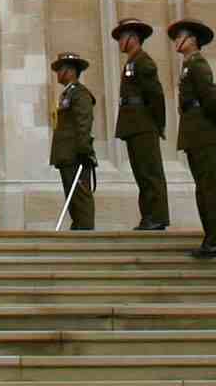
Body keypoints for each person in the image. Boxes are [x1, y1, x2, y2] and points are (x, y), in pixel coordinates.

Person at [171, 18, 216, 259]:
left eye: (180, 37)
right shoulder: (188, 66)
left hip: (205, 133)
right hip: (195, 133)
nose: (176, 41)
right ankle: (211, 237)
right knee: (203, 189)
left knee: (211, 189)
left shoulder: (198, 64)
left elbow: (211, 99)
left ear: (192, 40)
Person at [110, 19, 169, 231]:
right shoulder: (132, 62)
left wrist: (158, 125)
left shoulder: (144, 62)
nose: (119, 42)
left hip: (144, 124)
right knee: (141, 173)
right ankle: (148, 216)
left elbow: (156, 96)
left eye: (122, 38)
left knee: (150, 172)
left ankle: (157, 216)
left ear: (133, 38)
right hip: (134, 125)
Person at [48, 51, 99, 229]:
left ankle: (85, 231)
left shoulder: (80, 93)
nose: (57, 73)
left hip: (76, 154)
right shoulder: (67, 94)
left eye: (60, 69)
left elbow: (84, 122)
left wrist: (84, 150)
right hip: (66, 154)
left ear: (70, 71)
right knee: (72, 197)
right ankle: (78, 227)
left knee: (80, 197)